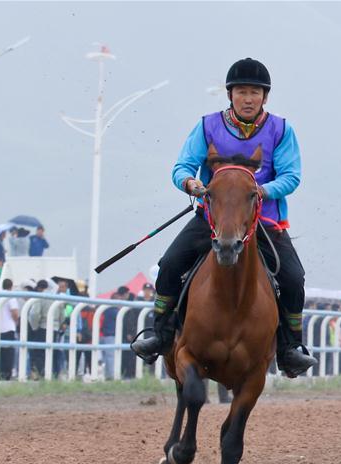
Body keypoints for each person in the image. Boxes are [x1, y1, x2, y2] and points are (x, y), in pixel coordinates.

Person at [131, 57, 317, 378]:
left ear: (265, 97)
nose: (248, 98)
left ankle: (289, 347)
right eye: (242, 92)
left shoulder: (281, 130)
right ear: (230, 95)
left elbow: (292, 176)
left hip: (264, 222)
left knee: (293, 278)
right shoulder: (207, 126)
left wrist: (261, 190)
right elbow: (182, 167)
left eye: (255, 93)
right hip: (213, 218)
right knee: (170, 263)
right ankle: (159, 333)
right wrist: (190, 183)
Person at [0, 278, 20, 380]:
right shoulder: (11, 297)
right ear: (11, 286)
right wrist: (16, 322)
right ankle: (7, 375)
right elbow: (15, 312)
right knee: (8, 353)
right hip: (9, 328)